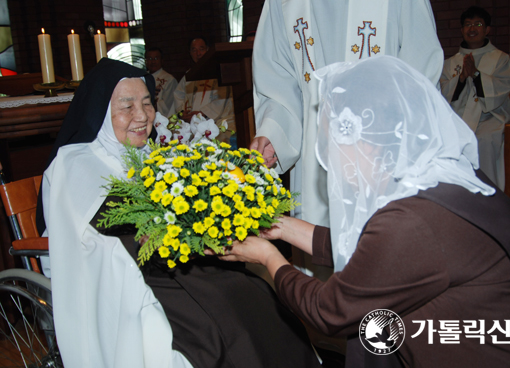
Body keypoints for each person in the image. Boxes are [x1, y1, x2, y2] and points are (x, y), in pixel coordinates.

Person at [217, 56, 510, 367]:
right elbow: (379, 256)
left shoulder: (413, 221)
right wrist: (282, 227)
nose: (330, 162)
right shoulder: (438, 176)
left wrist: (268, 256)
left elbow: (331, 310)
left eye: (330, 143)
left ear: (368, 141)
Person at [36, 58, 321, 367]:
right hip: (124, 272)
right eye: (127, 107)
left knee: (254, 295)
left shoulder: (149, 154)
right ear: (101, 113)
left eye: (147, 103)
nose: (142, 116)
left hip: (173, 261)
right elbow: (87, 234)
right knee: (219, 325)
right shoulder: (74, 161)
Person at [250, 0, 444, 276]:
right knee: (322, 285)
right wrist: (274, 133)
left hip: (382, 149)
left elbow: (421, 71)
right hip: (314, 155)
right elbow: (279, 86)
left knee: (390, 261)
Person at [440, 6, 510, 190]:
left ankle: (488, 194)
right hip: (458, 119)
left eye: (478, 24)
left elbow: (502, 87)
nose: (472, 29)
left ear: (487, 29)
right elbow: (442, 93)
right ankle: (457, 195)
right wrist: (462, 78)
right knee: (447, 139)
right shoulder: (450, 63)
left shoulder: (500, 59)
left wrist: (477, 76)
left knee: (485, 140)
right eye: (467, 25)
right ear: (462, 30)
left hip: (489, 118)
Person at [171, 37, 235, 134]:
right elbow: (178, 95)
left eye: (201, 49)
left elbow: (222, 98)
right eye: (194, 50)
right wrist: (182, 113)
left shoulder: (217, 73)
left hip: (212, 121)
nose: (198, 53)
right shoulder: (189, 75)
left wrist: (204, 113)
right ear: (190, 53)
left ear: (208, 50)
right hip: (191, 122)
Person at [145, 47, 178, 118]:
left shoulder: (169, 79)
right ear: (146, 61)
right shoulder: (142, 78)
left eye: (156, 58)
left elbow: (170, 105)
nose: (153, 62)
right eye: (150, 59)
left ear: (162, 60)